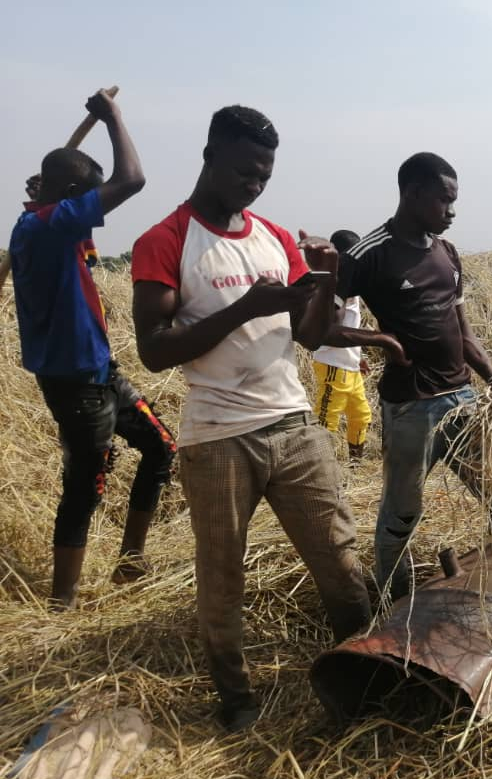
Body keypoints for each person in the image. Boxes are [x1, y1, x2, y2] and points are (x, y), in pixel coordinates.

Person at [130, 105, 371, 732]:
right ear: (209, 156)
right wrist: (243, 309)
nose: (253, 185)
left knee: (341, 561)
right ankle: (235, 700)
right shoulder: (165, 240)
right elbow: (154, 350)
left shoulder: (274, 237)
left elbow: (310, 335)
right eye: (243, 171)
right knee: (222, 575)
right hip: (216, 438)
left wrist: (327, 280)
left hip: (292, 425)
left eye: (264, 175)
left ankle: (364, 675)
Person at [7, 89, 175, 609]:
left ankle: (131, 560)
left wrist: (52, 193)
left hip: (100, 370)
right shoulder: (43, 227)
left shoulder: (48, 223)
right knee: (86, 483)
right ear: (75, 192)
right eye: (87, 197)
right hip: (74, 380)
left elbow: (88, 243)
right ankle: (63, 601)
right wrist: (113, 117)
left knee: (161, 447)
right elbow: (133, 180)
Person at [335, 152, 492, 601]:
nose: (451, 212)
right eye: (444, 201)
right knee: (402, 512)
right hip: (412, 407)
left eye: (454, 202)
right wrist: (380, 341)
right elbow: (312, 325)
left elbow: (463, 332)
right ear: (412, 194)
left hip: (463, 401)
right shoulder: (369, 253)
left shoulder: (447, 253)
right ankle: (392, 600)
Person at [309, 230, 375, 463]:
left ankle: (355, 466)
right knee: (327, 419)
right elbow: (328, 330)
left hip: (350, 366)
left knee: (361, 416)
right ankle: (320, 468)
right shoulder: (329, 286)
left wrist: (358, 357)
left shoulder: (352, 286)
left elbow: (350, 327)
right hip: (332, 366)